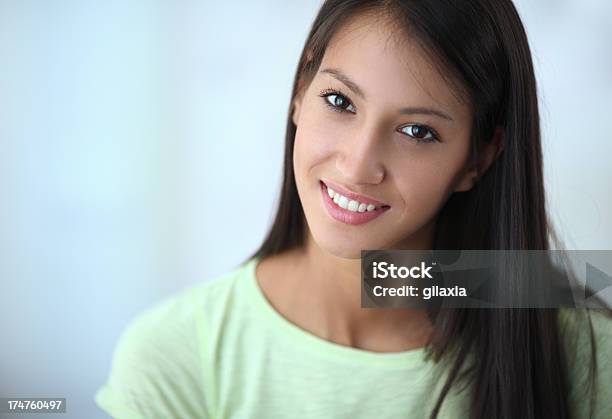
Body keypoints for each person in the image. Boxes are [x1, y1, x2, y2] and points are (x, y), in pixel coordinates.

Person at [95, 1, 612, 418]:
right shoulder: (175, 356)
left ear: (479, 157)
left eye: (417, 132)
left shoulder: (582, 350)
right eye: (341, 102)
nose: (359, 165)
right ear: (301, 88)